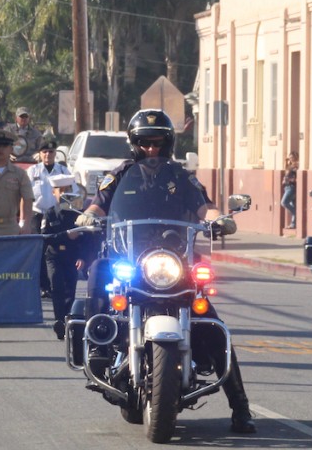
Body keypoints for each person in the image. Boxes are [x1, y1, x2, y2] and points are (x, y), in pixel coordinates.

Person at [74, 109, 256, 435]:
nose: (151, 150)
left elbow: (205, 205)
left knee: (213, 327)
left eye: (157, 143)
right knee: (101, 268)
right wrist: (89, 214)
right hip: (130, 254)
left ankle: (240, 407)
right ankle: (100, 344)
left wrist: (218, 218)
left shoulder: (182, 177)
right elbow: (99, 202)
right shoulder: (120, 174)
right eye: (145, 144)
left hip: (174, 259)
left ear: (168, 143)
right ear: (135, 144)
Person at [40, 173, 91, 340]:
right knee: (56, 286)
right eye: (59, 190)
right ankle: (59, 320)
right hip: (53, 256)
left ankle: (70, 320)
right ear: (54, 192)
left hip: (72, 256)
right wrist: (65, 235)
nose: (63, 193)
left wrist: (82, 257)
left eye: (67, 189)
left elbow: (86, 238)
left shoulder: (78, 212)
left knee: (71, 288)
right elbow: (45, 237)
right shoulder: (49, 213)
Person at [27, 140, 77, 298]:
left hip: (57, 215)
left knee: (56, 248)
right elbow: (26, 195)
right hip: (38, 214)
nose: (48, 155)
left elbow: (73, 192)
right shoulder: (32, 171)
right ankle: (43, 286)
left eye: (51, 152)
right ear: (40, 154)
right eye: (44, 152)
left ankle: (57, 283)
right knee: (40, 250)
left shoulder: (63, 170)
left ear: (55, 153)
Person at [0, 130, 34, 237]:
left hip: (10, 227)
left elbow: (28, 199)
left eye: (5, 146)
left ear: (11, 149)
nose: (1, 149)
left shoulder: (20, 174)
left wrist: (26, 224)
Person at [280, 151, 298, 229]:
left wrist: (290, 180)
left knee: (284, 202)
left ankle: (296, 213)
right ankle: (293, 223)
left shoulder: (295, 166)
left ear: (295, 157)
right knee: (292, 204)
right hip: (287, 187)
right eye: (289, 157)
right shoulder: (289, 166)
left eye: (292, 157)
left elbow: (295, 177)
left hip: (291, 187)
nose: (290, 159)